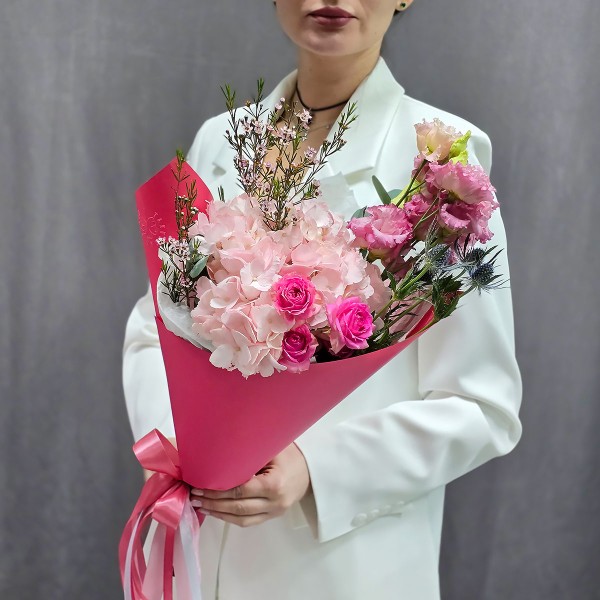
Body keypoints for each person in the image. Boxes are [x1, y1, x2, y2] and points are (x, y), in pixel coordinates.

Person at [123, 1, 522, 598]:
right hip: (199, 538)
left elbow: (481, 405)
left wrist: (315, 468)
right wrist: (182, 443)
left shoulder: (445, 164)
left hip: (341, 566)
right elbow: (157, 325)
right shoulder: (220, 140)